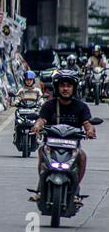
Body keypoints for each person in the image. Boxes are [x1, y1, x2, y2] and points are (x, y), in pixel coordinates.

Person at [30, 70, 96, 203]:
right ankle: (41, 188)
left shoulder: (81, 107)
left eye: (69, 86)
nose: (65, 89)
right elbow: (41, 120)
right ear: (57, 88)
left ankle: (76, 190)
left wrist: (90, 131)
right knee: (42, 152)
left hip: (72, 146)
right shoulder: (49, 105)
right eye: (62, 85)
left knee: (82, 157)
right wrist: (37, 126)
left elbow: (87, 123)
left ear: (74, 88)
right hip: (52, 145)